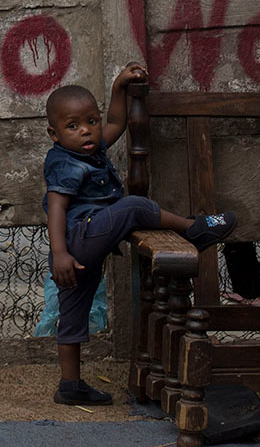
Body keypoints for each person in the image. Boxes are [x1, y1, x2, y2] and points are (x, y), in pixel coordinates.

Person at [44, 62, 237, 406]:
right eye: (73, 126)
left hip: (87, 244)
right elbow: (56, 208)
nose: (86, 132)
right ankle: (196, 228)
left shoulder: (92, 148)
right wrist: (60, 253)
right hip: (77, 240)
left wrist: (119, 86)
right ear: (54, 134)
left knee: (72, 313)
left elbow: (118, 122)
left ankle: (69, 386)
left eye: (91, 121)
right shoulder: (64, 162)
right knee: (134, 206)